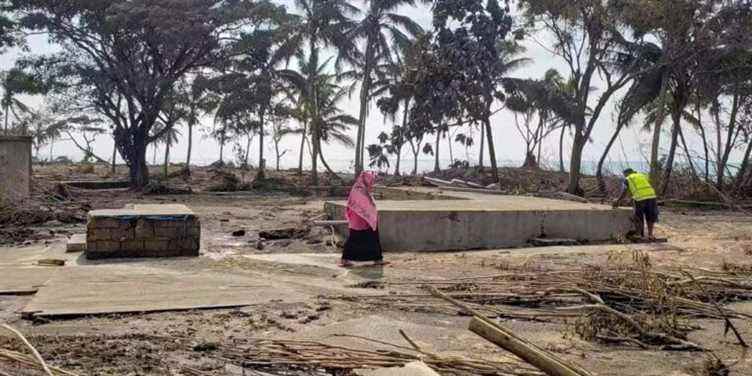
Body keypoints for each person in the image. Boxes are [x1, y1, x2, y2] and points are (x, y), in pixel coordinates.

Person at [339, 171, 385, 267]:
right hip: (358, 219)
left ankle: (377, 259)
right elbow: (358, 204)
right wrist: (368, 214)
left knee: (372, 238)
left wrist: (371, 214)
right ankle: (345, 260)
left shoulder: (364, 190)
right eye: (371, 181)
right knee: (355, 238)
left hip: (367, 218)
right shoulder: (358, 190)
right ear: (366, 180)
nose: (371, 183)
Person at [613, 168, 659, 240]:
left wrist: (618, 200)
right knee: (650, 216)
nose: (624, 176)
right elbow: (642, 187)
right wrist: (632, 198)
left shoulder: (628, 179)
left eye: (624, 174)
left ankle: (638, 234)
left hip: (640, 198)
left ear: (626, 173)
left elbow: (624, 191)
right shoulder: (642, 175)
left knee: (638, 216)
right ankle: (650, 235)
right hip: (652, 196)